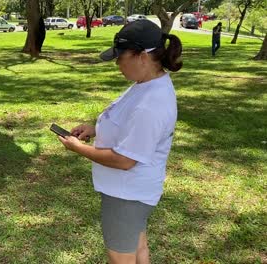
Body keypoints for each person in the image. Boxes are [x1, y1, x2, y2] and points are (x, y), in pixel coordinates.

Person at [57, 20, 182, 264]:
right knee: (138, 248)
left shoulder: (152, 103)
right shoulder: (145, 85)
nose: (117, 64)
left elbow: (125, 160)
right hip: (132, 192)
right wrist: (96, 129)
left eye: (120, 57)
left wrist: (80, 148)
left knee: (120, 257)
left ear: (142, 56)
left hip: (127, 194)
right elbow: (129, 124)